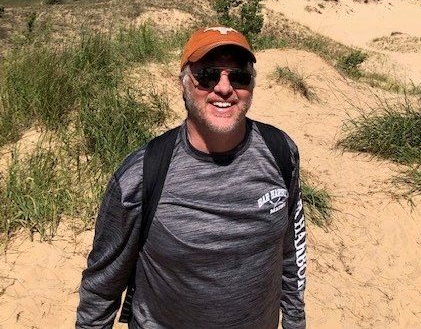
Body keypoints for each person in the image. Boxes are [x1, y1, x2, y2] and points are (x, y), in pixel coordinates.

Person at [76, 26, 307, 329]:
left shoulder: (281, 152)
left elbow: (291, 253)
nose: (224, 88)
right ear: (183, 84)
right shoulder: (141, 175)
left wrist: (294, 321)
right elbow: (101, 288)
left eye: (238, 76)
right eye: (208, 75)